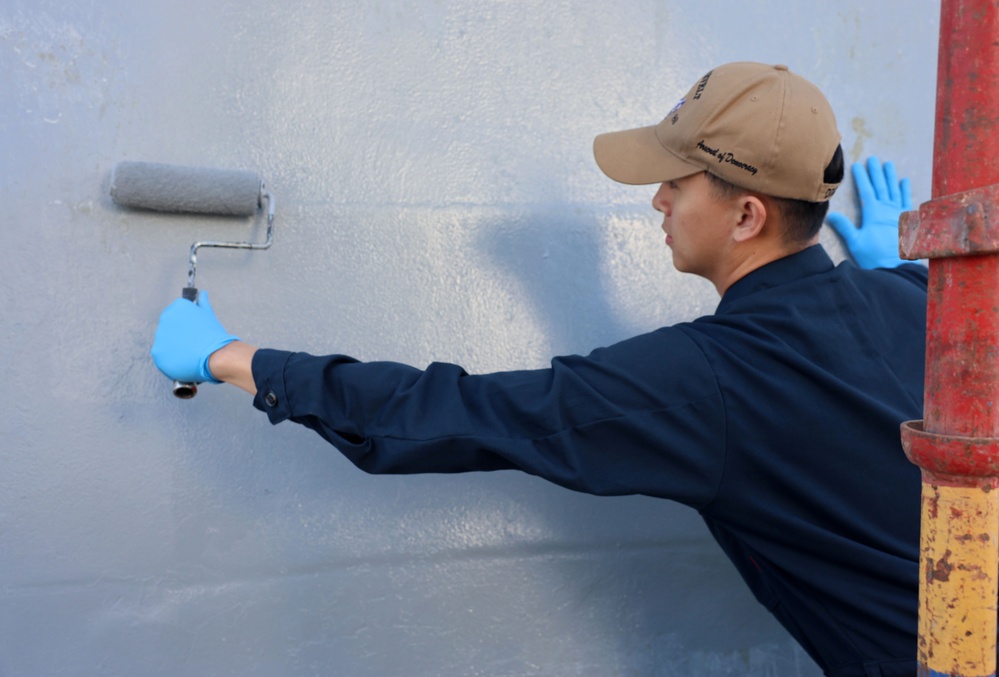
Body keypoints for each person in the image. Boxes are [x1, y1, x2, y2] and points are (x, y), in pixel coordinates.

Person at [152, 62, 927, 677]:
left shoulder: (707, 380)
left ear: (747, 214)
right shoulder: (919, 302)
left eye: (677, 182)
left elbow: (457, 413)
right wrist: (895, 270)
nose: (656, 199)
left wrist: (234, 358)